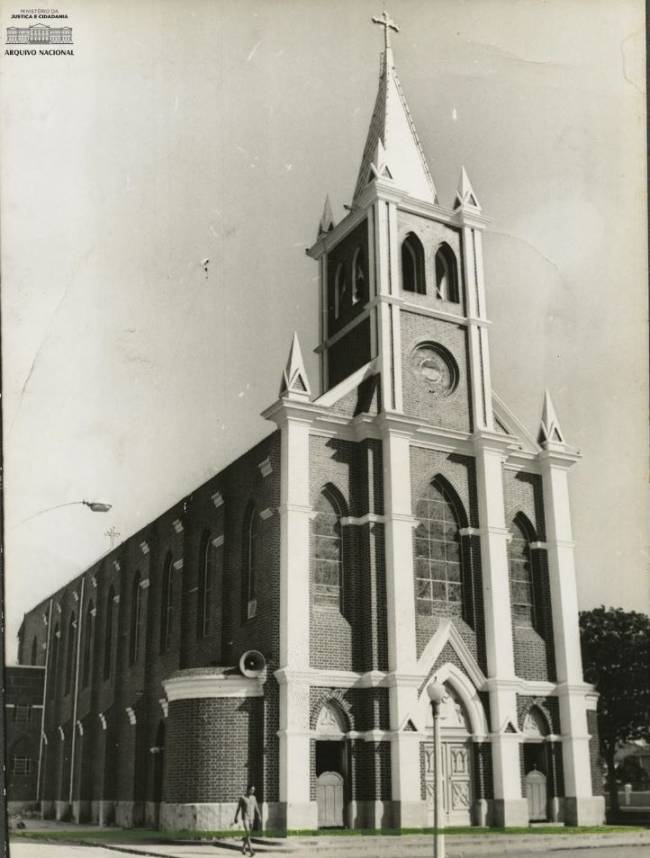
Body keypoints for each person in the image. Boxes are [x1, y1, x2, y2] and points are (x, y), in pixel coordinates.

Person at [234, 784, 260, 856]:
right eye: (251, 790)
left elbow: (256, 807)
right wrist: (235, 817)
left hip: (252, 818)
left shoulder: (254, 798)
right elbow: (238, 808)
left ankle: (242, 848)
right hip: (245, 818)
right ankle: (251, 850)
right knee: (248, 833)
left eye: (253, 790)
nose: (252, 791)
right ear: (248, 789)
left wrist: (259, 816)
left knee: (248, 835)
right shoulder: (242, 798)